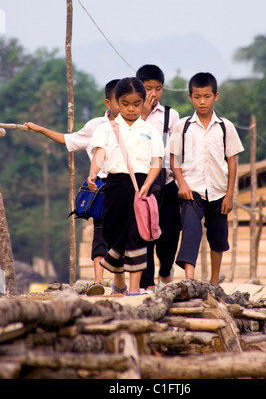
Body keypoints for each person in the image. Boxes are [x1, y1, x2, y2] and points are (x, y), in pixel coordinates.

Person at [24, 79, 120, 296]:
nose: (126, 107)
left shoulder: (135, 126)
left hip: (125, 184)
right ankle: (98, 280)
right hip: (101, 185)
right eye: (121, 101)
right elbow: (69, 140)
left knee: (123, 232)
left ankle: (120, 283)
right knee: (100, 231)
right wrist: (40, 130)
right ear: (108, 102)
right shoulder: (96, 127)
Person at [88, 77, 164, 295]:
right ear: (117, 103)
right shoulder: (106, 129)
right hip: (114, 187)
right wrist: (93, 173)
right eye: (126, 103)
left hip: (140, 187)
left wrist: (147, 186)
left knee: (136, 235)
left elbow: (156, 162)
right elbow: (100, 153)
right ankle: (118, 282)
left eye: (136, 104)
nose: (131, 109)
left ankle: (133, 289)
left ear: (143, 103)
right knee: (112, 233)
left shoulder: (149, 130)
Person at [169, 72, 244, 285]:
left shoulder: (224, 126)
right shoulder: (182, 126)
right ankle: (190, 280)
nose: (202, 101)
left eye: (207, 96)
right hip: (191, 190)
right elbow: (173, 159)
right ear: (190, 97)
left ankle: (214, 281)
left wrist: (230, 194)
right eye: (198, 96)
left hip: (219, 191)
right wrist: (181, 183)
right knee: (191, 231)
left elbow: (232, 161)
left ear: (216, 96)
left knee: (218, 237)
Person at [136, 64, 181, 294]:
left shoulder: (170, 115)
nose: (153, 94)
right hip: (141, 183)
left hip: (167, 182)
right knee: (145, 234)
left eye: (158, 88)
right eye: (147, 88)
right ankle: (147, 284)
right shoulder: (131, 114)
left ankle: (165, 270)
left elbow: (175, 150)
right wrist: (142, 113)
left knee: (169, 235)